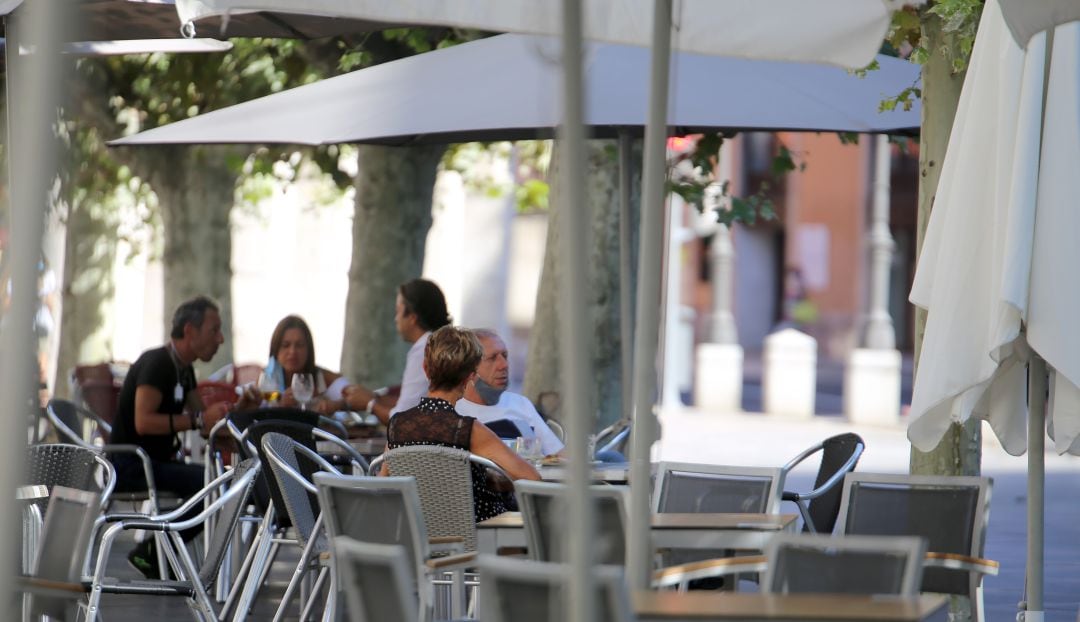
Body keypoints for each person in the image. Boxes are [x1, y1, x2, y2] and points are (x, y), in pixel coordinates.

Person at [109, 296, 255, 578]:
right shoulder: (157, 363)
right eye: (214, 330)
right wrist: (199, 419)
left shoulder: (183, 368)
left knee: (220, 482)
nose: (221, 338)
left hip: (157, 464)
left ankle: (159, 554)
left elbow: (205, 422)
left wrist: (240, 411)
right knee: (213, 486)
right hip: (131, 465)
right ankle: (151, 553)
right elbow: (144, 422)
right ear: (190, 331)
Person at [381, 325, 540, 521]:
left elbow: (385, 482)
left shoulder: (397, 424)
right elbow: (532, 478)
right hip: (480, 536)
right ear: (471, 376)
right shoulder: (467, 430)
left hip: (417, 534)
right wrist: (493, 481)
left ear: (425, 369)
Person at [344, 278, 452, 423]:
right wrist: (374, 397)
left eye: (398, 311)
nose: (396, 319)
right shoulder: (440, 344)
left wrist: (370, 405)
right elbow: (416, 404)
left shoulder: (424, 350)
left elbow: (401, 420)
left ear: (412, 317)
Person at [455, 329, 565, 458]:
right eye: (492, 358)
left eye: (505, 356)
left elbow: (558, 455)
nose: (504, 365)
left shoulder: (521, 403)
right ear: (468, 367)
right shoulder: (454, 411)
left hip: (532, 477)